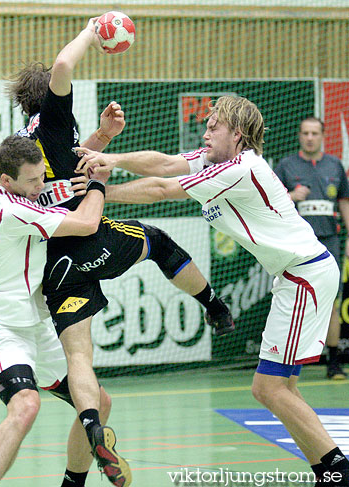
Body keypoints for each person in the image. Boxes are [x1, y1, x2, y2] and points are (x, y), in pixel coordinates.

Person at [0, 18, 233, 487]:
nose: (38, 185)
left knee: (90, 383)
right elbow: (65, 66)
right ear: (49, 97)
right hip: (29, 293)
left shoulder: (21, 154)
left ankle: (81, 463)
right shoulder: (27, 182)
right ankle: (212, 304)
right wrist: (95, 28)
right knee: (158, 241)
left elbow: (4, 180)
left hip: (46, 294)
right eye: (33, 182)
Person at [77, 95, 349, 486]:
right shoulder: (218, 159)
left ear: (237, 134)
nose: (205, 132)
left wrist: (99, 191)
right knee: (279, 388)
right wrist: (110, 158)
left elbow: (160, 188)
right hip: (296, 276)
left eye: (213, 126)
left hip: (303, 275)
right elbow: (165, 163)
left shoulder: (240, 168)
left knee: (270, 388)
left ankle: (337, 470)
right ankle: (329, 471)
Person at [0, 134, 129, 487]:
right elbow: (86, 223)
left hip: (38, 326)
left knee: (97, 402)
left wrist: (99, 139)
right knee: (26, 405)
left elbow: (56, 190)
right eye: (33, 181)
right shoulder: (9, 209)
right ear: (6, 180)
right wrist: (97, 184)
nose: (40, 186)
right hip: (2, 326)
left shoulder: (17, 193)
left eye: (42, 177)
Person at [274, 117, 348, 380]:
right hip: (295, 246)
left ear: (323, 136)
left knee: (331, 303)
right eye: (305, 132)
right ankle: (291, 362)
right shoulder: (286, 166)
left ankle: (334, 362)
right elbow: (269, 201)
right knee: (294, 302)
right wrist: (292, 196)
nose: (309, 137)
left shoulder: (334, 165)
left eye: (314, 133)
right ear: (299, 136)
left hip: (329, 242)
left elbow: (344, 202)